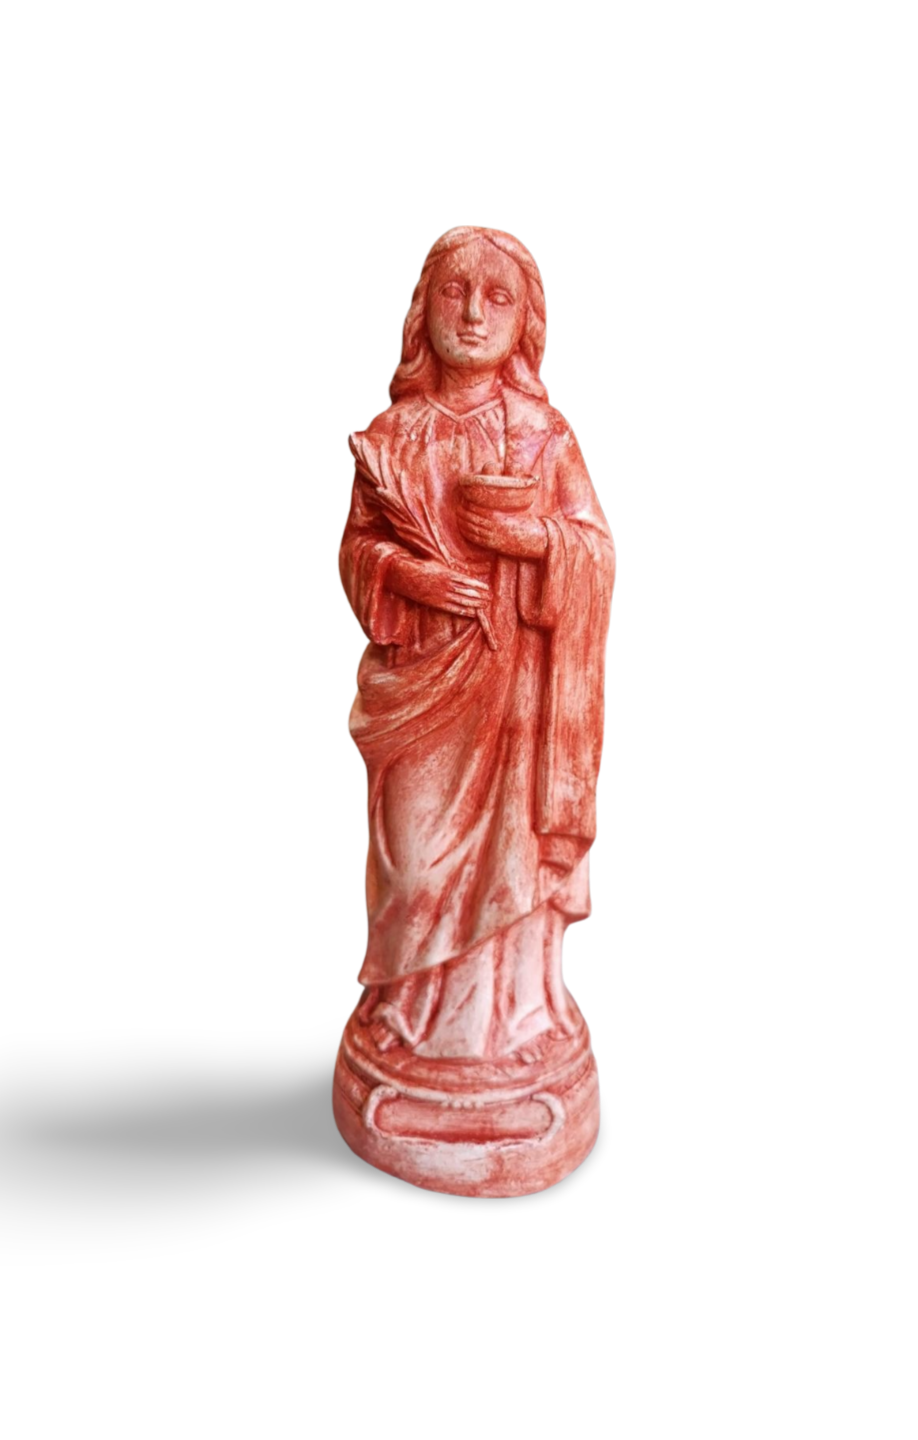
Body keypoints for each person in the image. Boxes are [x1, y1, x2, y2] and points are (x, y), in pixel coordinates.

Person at [339, 226, 614, 1063]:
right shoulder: (392, 435)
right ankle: (408, 1017)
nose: (472, 314)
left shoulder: (543, 434)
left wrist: (533, 542)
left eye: (498, 297)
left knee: (511, 856)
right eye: (455, 292)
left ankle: (515, 1021)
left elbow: (594, 550)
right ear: (423, 309)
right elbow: (356, 550)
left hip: (517, 692)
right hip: (423, 690)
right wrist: (410, 578)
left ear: (526, 321)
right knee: (415, 864)